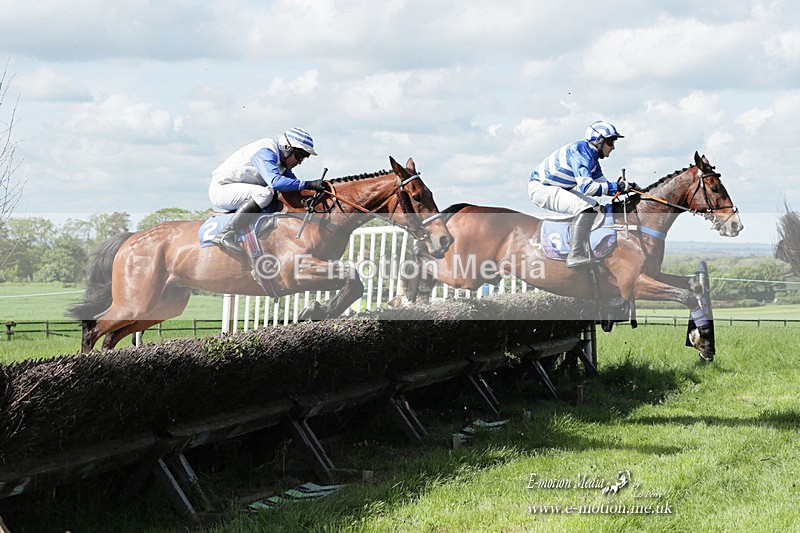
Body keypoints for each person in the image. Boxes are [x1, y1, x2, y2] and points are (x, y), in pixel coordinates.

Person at [528, 120, 637, 267]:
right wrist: (618, 186)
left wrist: (627, 189)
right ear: (599, 141)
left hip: (557, 187)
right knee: (585, 208)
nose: (613, 147)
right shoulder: (580, 152)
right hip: (541, 188)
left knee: (596, 207)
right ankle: (574, 255)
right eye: (610, 142)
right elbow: (589, 188)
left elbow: (604, 187)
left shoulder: (593, 159)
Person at [208, 127, 326, 255]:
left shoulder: (282, 162)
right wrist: (309, 184)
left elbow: (294, 188)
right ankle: (226, 233)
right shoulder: (266, 152)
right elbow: (276, 182)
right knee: (264, 194)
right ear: (287, 148)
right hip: (222, 189)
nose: (300, 162)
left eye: (304, 157)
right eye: (299, 156)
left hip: (238, 189)